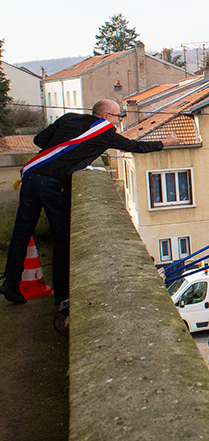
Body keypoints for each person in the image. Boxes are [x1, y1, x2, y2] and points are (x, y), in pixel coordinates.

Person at [1, 100, 181, 306]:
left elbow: (40, 139)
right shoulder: (104, 133)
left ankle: (11, 283)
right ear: (106, 117)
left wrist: (60, 153)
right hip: (53, 185)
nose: (119, 120)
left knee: (22, 232)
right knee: (62, 238)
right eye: (117, 116)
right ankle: (62, 296)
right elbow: (135, 146)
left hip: (31, 177)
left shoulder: (69, 117)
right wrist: (165, 143)